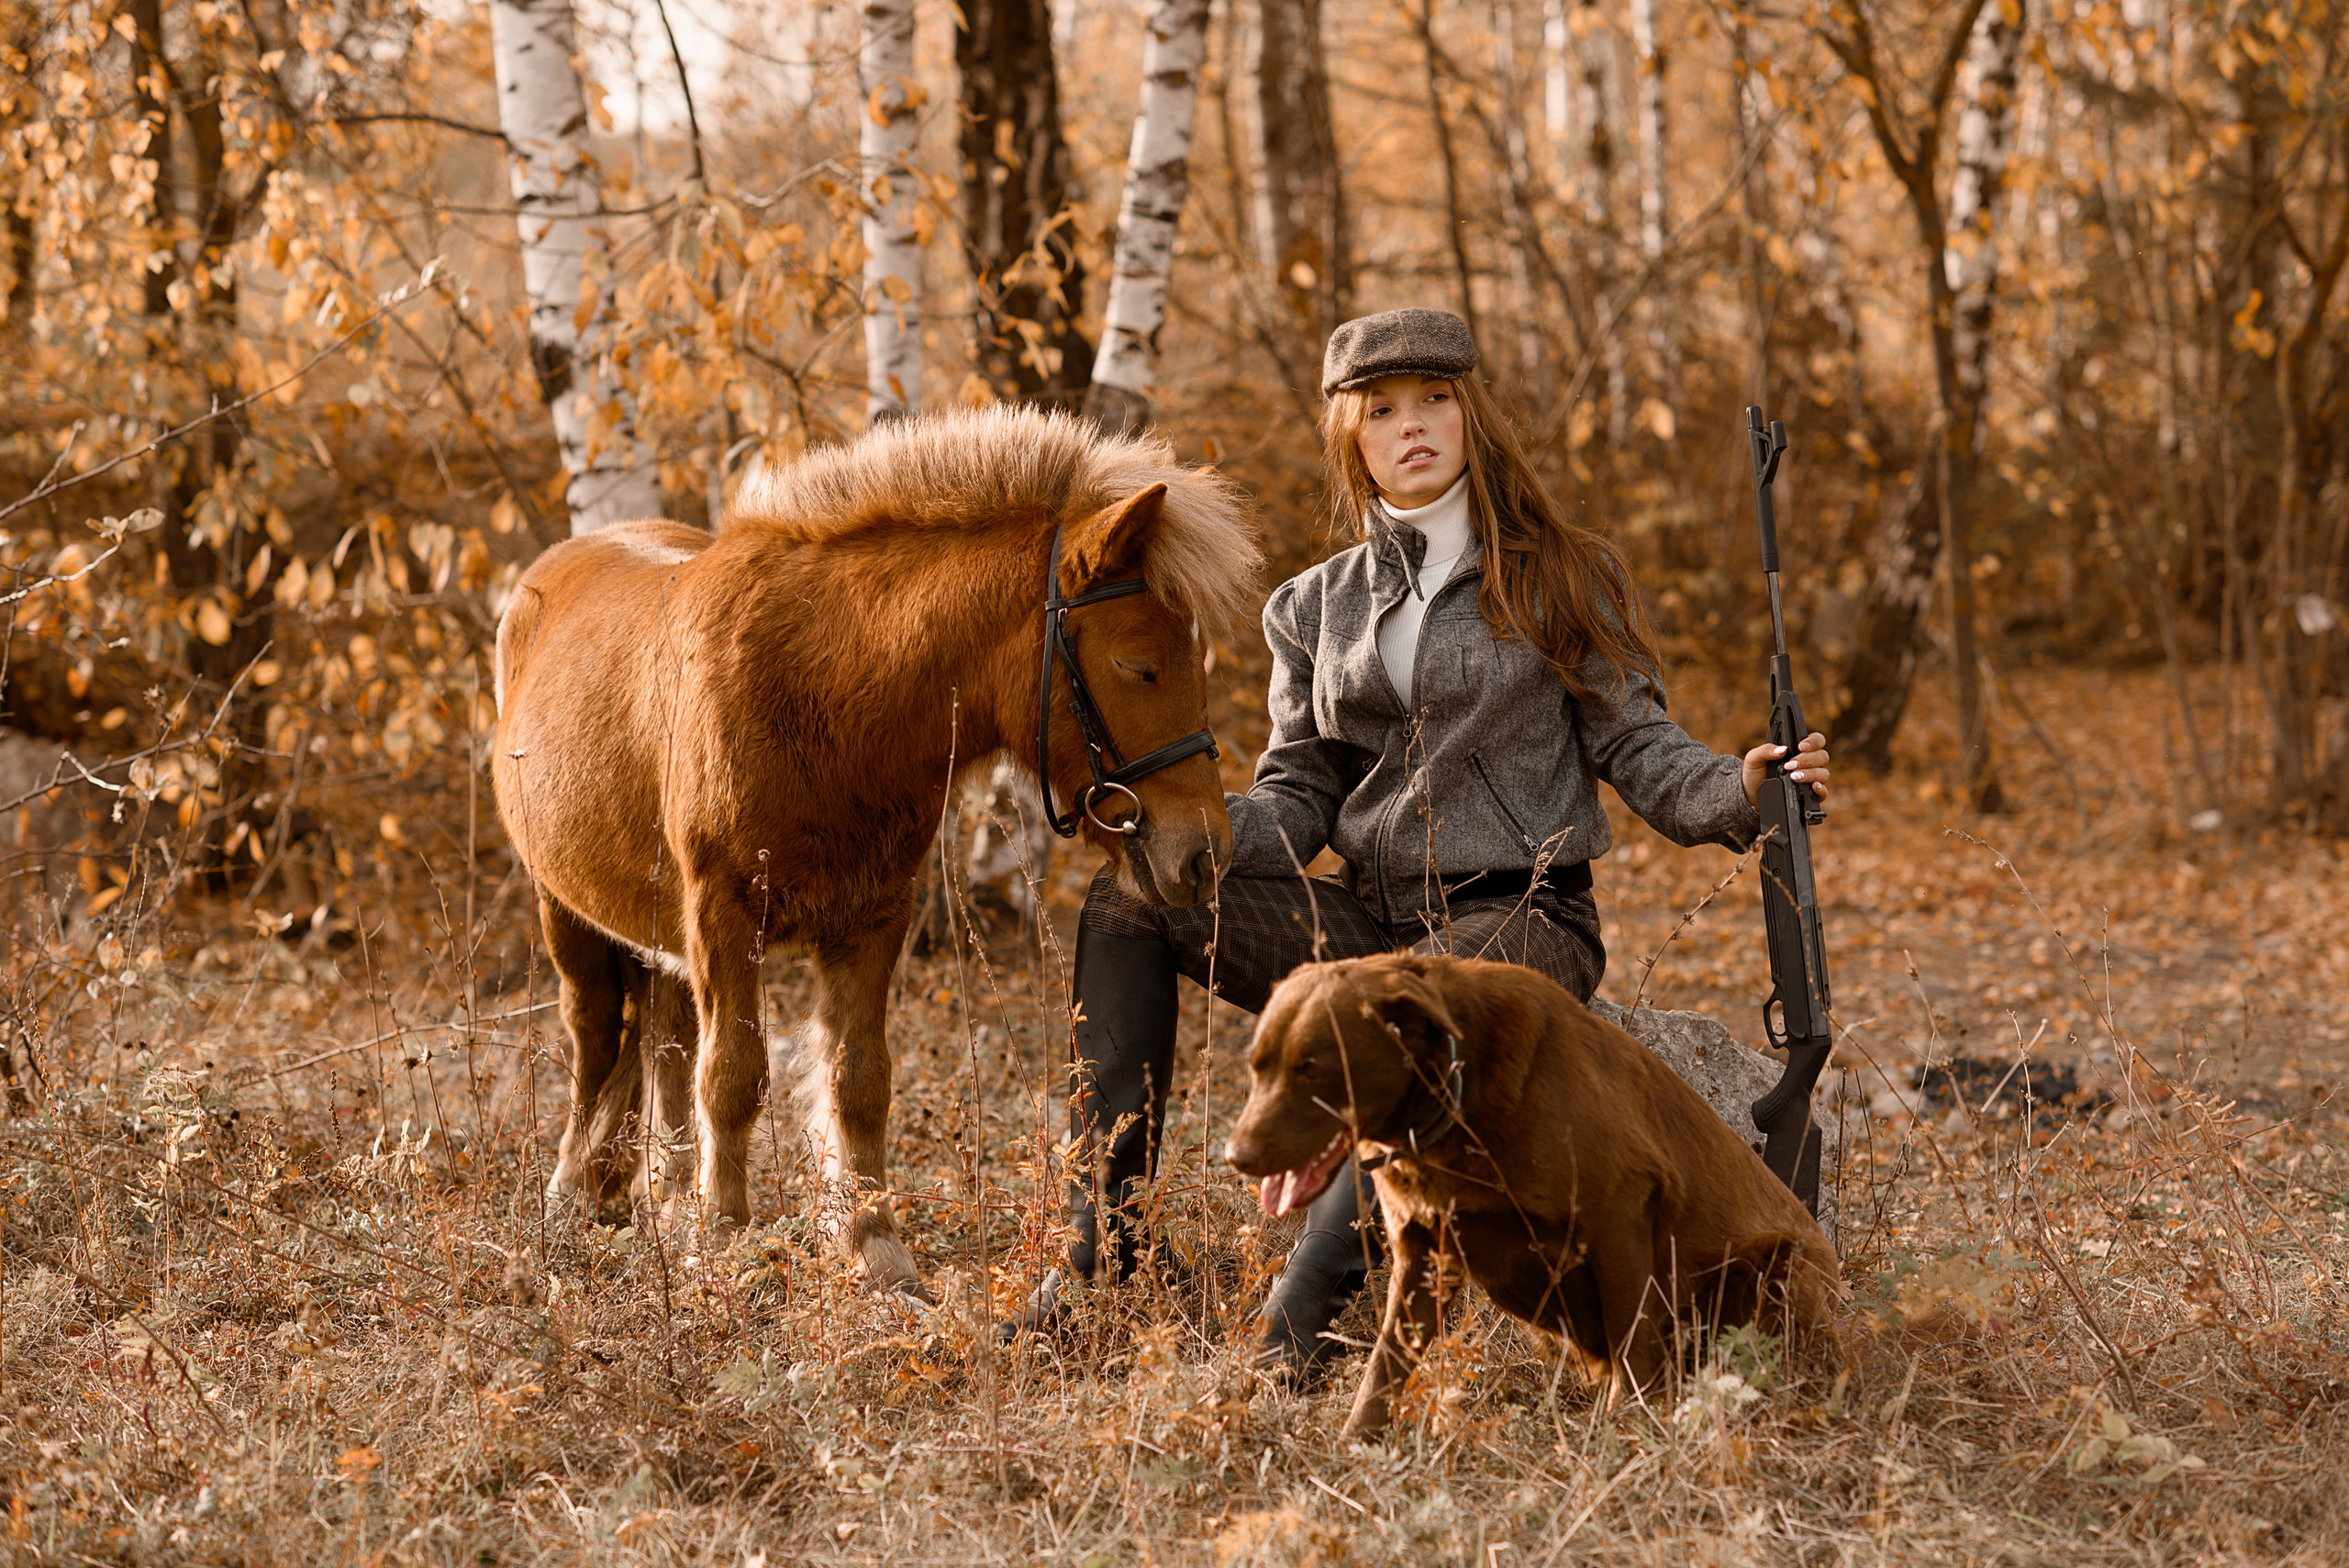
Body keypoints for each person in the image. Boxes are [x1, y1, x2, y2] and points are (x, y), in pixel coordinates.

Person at [1031, 307, 1831, 1375]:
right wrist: (1201, 837)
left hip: (1521, 913)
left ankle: (1294, 1332)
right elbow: (1301, 786)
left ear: (1471, 415)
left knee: (1424, 1013)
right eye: (1383, 410)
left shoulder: (1559, 572)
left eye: (1435, 401)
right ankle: (1100, 1251)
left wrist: (1743, 785)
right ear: (1349, 436)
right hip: (1369, 914)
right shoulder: (1309, 605)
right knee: (1131, 900)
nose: (1413, 427)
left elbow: (1639, 745)